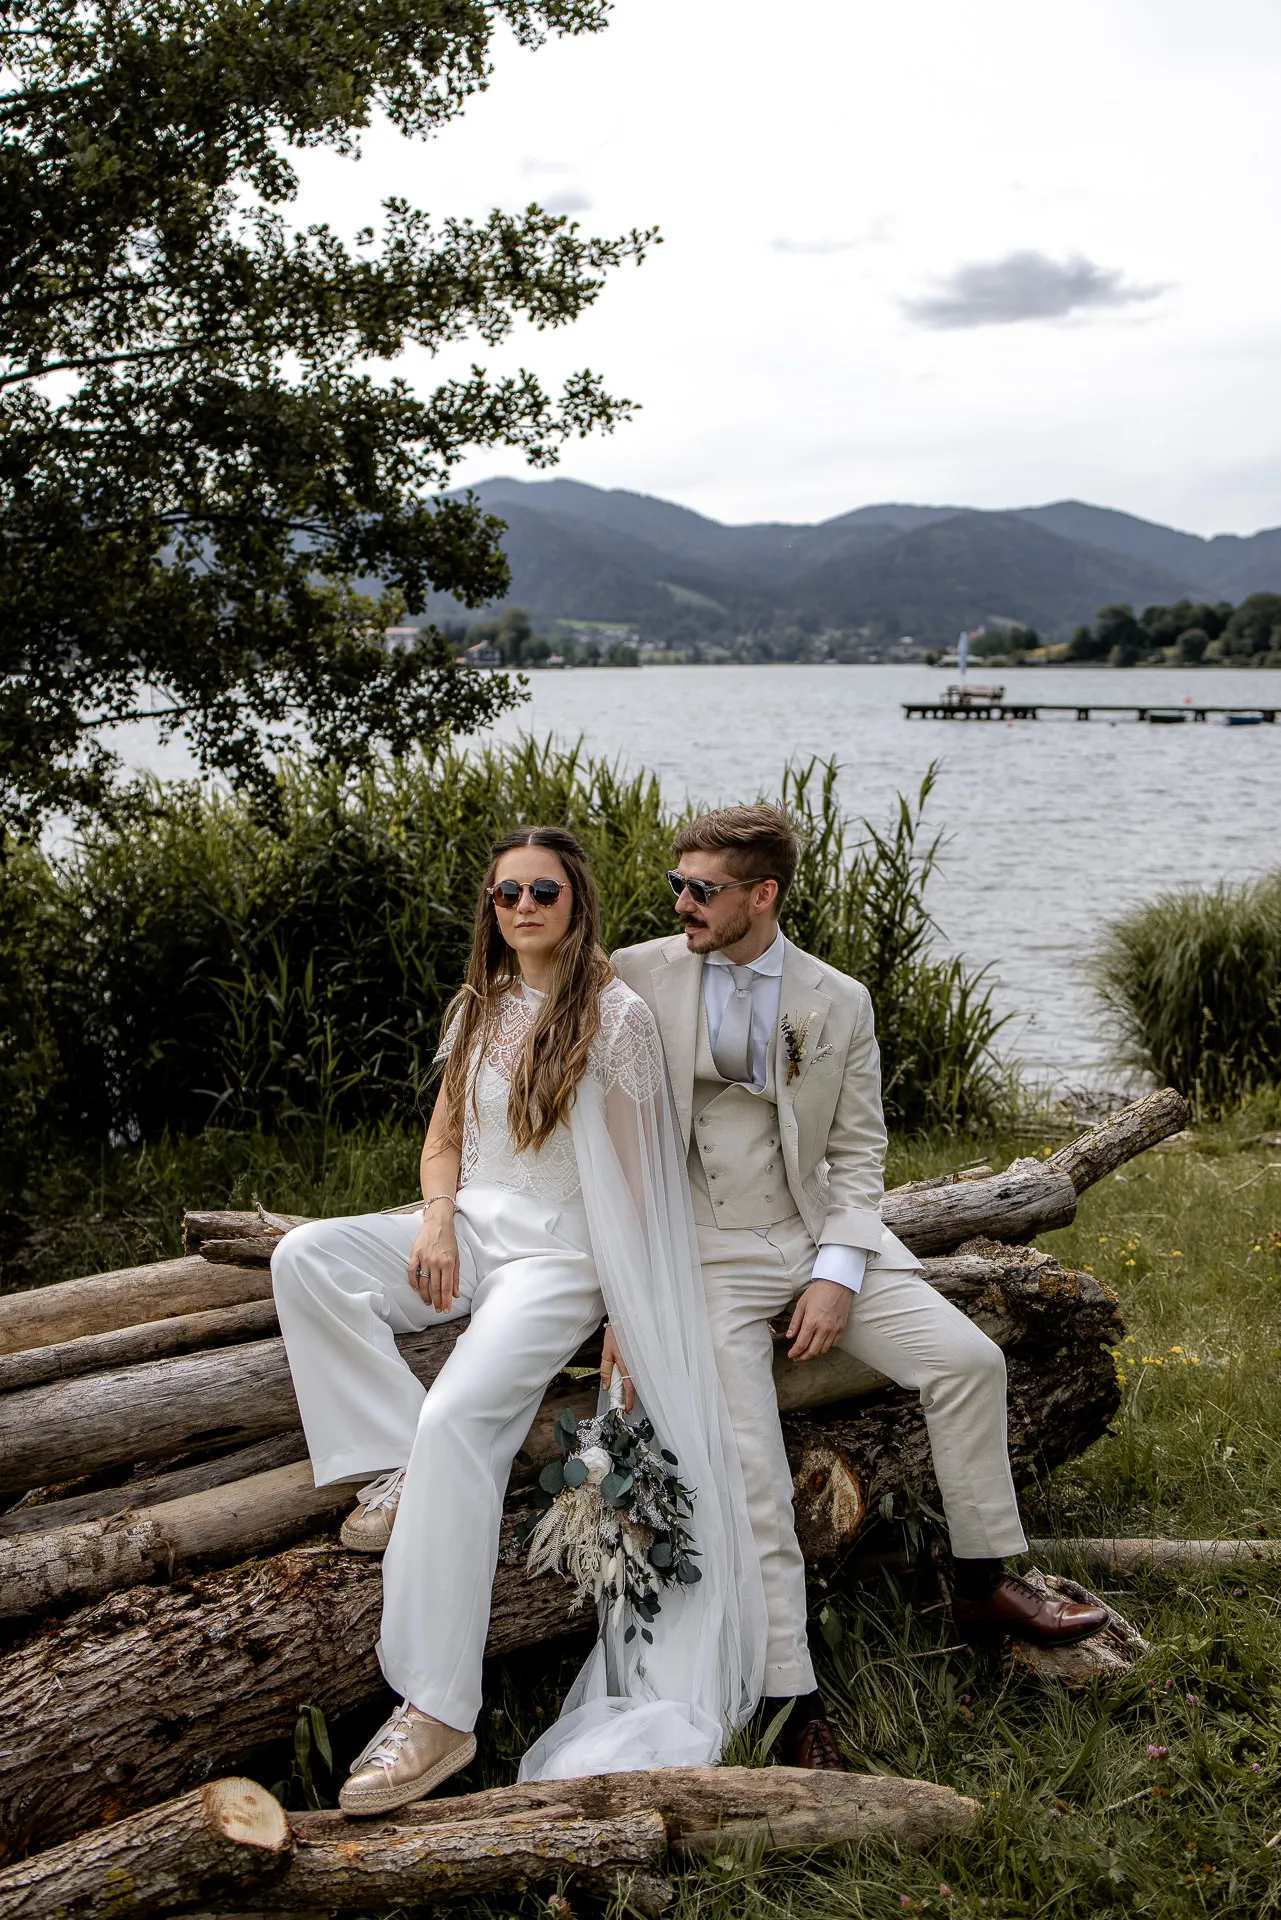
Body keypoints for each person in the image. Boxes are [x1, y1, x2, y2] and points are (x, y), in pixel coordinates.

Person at [271, 826, 765, 1815]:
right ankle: (389, 1464)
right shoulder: (479, 1007)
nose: (525, 906)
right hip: (476, 1228)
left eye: (543, 890)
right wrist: (440, 1220)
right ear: (491, 912)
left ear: (574, 900)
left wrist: (632, 1307)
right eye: (507, 895)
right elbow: (444, 1137)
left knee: (460, 1418)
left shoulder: (612, 1016)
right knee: (305, 1257)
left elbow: (641, 1179)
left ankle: (438, 1711)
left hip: (564, 1255)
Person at [611, 804, 1107, 1772]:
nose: (682, 903)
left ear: (765, 894)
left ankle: (983, 1577)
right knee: (750, 1462)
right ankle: (791, 1692)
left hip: (816, 1234)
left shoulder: (839, 1000)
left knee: (968, 1360)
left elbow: (856, 1151)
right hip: (702, 1252)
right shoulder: (637, 973)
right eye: (677, 884)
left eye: (702, 889)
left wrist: (837, 1275)